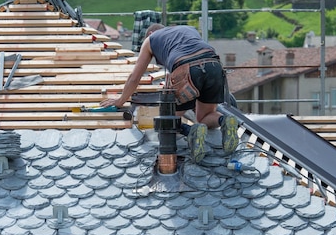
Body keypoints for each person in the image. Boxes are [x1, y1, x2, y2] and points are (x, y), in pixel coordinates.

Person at [100, 23, 239, 164]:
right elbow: (193, 54)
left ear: (150, 33)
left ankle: (191, 131)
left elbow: (135, 77)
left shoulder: (150, 40)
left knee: (168, 121)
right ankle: (225, 120)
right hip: (214, 65)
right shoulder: (187, 29)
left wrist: (120, 101)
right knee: (204, 117)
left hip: (186, 68)